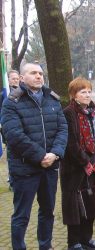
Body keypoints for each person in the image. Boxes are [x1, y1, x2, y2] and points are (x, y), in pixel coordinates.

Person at [1, 63, 68, 250]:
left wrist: (55, 154)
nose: (39, 76)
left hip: (50, 168)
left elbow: (63, 129)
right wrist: (41, 156)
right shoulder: (11, 103)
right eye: (33, 73)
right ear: (22, 78)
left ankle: (45, 246)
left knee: (48, 212)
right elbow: (14, 135)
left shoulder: (52, 99)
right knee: (22, 215)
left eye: (40, 73)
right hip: (25, 169)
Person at [60, 77, 95, 250]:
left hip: (94, 167)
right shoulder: (68, 113)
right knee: (75, 207)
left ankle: (87, 239)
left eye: (88, 91)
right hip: (75, 169)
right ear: (74, 95)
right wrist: (85, 162)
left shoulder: (94, 112)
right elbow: (71, 143)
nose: (87, 95)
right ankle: (74, 242)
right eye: (82, 92)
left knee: (91, 204)